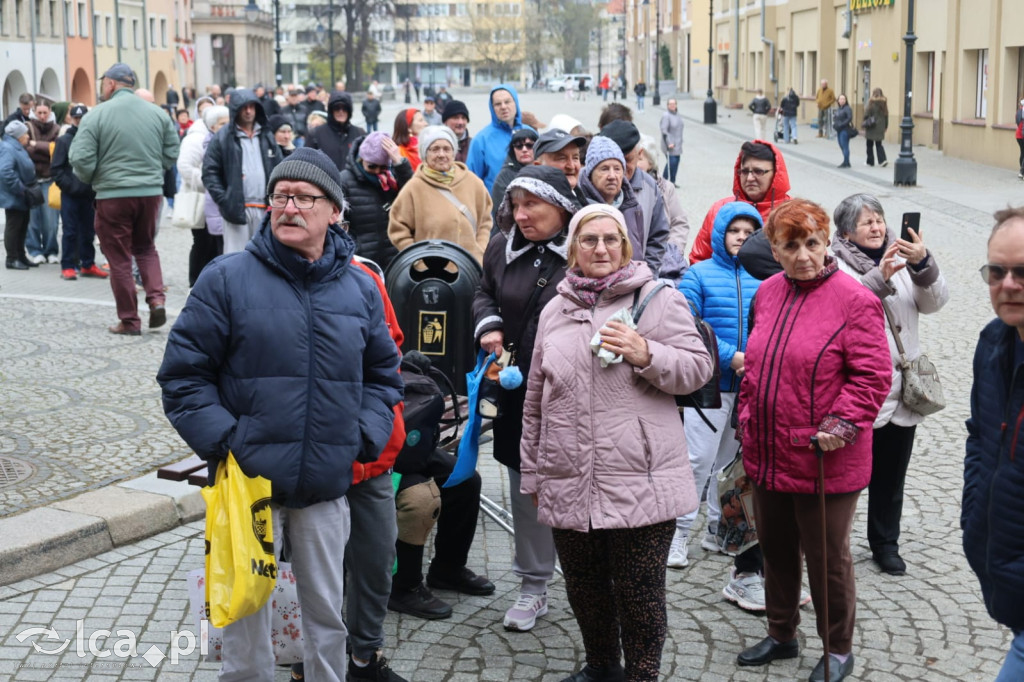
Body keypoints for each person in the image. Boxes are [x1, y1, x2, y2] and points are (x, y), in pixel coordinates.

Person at [158, 147, 403, 682]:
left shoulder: (361, 289)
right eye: (280, 196)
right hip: (249, 485)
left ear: (334, 211)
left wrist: (359, 437)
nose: (288, 207)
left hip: (325, 484)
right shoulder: (225, 279)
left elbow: (385, 377)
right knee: (247, 619)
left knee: (325, 618)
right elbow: (182, 377)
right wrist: (230, 442)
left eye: (303, 197)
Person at [521, 203, 713, 682]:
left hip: (641, 475)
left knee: (639, 590)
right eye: (589, 240)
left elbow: (696, 369)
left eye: (611, 239)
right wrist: (533, 471)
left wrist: (646, 352)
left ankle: (642, 674)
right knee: (585, 586)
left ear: (625, 246)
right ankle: (602, 666)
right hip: (568, 473)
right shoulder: (555, 309)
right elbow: (535, 399)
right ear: (574, 251)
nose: (600, 248)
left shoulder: (657, 299)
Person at [734, 199, 891, 682]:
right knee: (776, 550)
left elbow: (872, 377)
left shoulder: (855, 299)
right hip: (769, 450)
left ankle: (838, 648)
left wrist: (838, 427)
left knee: (827, 559)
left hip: (825, 457)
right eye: (791, 245)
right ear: (775, 250)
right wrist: (746, 415)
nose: (804, 255)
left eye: (813, 243)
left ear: (828, 244)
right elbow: (757, 366)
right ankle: (782, 634)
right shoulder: (767, 294)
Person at [473, 165, 581, 631]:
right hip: (518, 390)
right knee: (526, 487)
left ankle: (590, 585)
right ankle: (534, 584)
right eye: (515, 205)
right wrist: (489, 324)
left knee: (578, 485)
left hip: (575, 390)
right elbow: (483, 292)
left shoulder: (586, 247)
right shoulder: (501, 246)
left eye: (531, 205)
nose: (521, 215)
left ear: (561, 207)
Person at [830, 193, 948, 575]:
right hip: (860, 391)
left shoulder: (903, 259)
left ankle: (885, 542)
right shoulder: (834, 264)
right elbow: (842, 310)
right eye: (867, 222)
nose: (878, 227)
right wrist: (879, 277)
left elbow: (934, 303)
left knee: (892, 474)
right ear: (846, 231)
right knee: (846, 475)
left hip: (903, 390)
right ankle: (832, 543)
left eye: (879, 219)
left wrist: (923, 265)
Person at [668, 203, 762, 569]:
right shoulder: (698, 275)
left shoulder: (764, 276)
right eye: (734, 230)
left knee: (727, 463)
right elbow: (689, 326)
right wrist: (731, 357)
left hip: (746, 386)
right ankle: (676, 536)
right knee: (696, 460)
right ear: (720, 233)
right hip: (707, 385)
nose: (741, 237)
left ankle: (717, 529)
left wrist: (753, 359)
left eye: (748, 232)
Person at [69, 63, 179, 335]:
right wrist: (154, 170)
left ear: (110, 84)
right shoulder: (157, 114)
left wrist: (95, 178)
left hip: (113, 195)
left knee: (119, 258)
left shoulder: (97, 115)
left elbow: (80, 158)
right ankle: (156, 300)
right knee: (146, 248)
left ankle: (129, 321)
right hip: (149, 192)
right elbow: (172, 151)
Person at [965, 206, 1024, 682]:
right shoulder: (993, 342)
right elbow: (979, 436)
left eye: (1023, 271)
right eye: (997, 271)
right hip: (1005, 569)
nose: (1008, 284)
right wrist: (973, 513)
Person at [388, 126, 492, 263]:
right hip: (431, 275)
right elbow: (398, 230)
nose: (441, 154)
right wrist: (418, 261)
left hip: (470, 269)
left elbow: (485, 220)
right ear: (425, 154)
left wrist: (479, 250)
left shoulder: (473, 182)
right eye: (435, 149)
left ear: (453, 153)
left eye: (447, 149)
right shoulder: (413, 188)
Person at [202, 88, 282, 254]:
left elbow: (279, 167)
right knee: (236, 258)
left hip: (265, 208)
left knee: (265, 256)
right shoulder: (223, 137)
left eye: (252, 107)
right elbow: (210, 172)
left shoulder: (266, 136)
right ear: (235, 110)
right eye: (243, 107)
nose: (248, 111)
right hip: (237, 209)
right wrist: (225, 200)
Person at [688, 140, 792, 265]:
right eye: (744, 171)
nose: (749, 178)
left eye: (758, 171)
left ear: (776, 173)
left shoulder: (794, 213)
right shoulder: (720, 209)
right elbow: (699, 259)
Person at [598, 119, 670, 277]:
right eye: (616, 161)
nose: (621, 168)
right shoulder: (591, 184)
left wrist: (647, 274)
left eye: (627, 160)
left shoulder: (650, 187)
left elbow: (658, 236)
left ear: (640, 154)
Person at [339, 131, 413, 270]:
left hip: (393, 259)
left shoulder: (392, 179)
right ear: (361, 159)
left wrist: (400, 163)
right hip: (361, 261)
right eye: (372, 166)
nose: (377, 171)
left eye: (383, 167)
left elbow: (413, 196)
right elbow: (339, 224)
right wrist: (353, 250)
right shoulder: (345, 180)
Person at [576, 136, 651, 271]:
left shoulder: (632, 207)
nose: (612, 176)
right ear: (590, 174)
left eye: (617, 169)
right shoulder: (577, 208)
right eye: (604, 169)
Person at [51, 104, 107, 281]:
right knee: (70, 231)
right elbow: (57, 169)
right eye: (76, 118)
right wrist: (70, 186)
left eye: (82, 118)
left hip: (89, 194)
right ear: (71, 119)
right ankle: (67, 265)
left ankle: (88, 264)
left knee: (89, 232)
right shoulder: (64, 141)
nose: (79, 121)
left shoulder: (93, 139)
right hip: (71, 195)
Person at [178, 104, 229, 287]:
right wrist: (210, 182)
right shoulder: (195, 139)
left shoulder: (227, 139)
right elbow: (184, 167)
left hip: (219, 201)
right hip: (200, 198)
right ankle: (196, 283)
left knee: (217, 245)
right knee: (202, 243)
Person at [636, 135, 689, 281]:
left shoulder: (666, 188)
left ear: (650, 162)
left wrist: (671, 252)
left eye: (639, 159)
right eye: (631, 159)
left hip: (664, 261)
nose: (634, 164)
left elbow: (679, 223)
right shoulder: (625, 188)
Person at [25, 100, 61, 264]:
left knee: (51, 220)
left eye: (45, 112)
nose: (42, 116)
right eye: (39, 112)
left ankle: (51, 250)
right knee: (32, 219)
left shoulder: (56, 128)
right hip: (32, 179)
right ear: (34, 112)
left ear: (50, 112)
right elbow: (26, 148)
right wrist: (46, 149)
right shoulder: (27, 127)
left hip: (49, 179)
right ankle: (34, 250)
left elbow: (56, 150)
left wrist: (36, 145)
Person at [467, 84, 523, 192]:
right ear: (492, 108)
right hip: (495, 206)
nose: (503, 107)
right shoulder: (481, 140)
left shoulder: (530, 134)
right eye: (498, 104)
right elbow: (471, 181)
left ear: (515, 103)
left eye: (507, 102)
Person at [1, 120, 38, 270]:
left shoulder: (16, 146)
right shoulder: (8, 148)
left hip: (22, 194)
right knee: (14, 226)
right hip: (15, 194)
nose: (28, 136)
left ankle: (21, 255)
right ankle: (12, 258)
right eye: (25, 134)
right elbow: (5, 171)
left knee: (22, 225)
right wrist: (20, 188)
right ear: (18, 136)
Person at [308, 91, 365, 174]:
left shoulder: (359, 133)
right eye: (337, 108)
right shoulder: (316, 134)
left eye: (345, 108)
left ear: (349, 111)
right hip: (325, 182)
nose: (341, 111)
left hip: (351, 184)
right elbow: (308, 162)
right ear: (331, 111)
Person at [489, 127, 538, 218]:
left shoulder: (547, 171)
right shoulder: (504, 176)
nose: (524, 149)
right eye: (519, 146)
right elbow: (501, 213)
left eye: (529, 145)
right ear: (513, 150)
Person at [532, 128, 587, 205]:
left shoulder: (591, 209)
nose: (571, 166)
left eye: (575, 158)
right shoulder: (527, 212)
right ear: (538, 167)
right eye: (562, 158)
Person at [659, 98, 683, 185]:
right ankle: (663, 182)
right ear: (667, 105)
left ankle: (672, 181)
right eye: (670, 104)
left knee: (676, 163)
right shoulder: (666, 116)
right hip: (670, 144)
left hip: (678, 144)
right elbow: (664, 130)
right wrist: (669, 143)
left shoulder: (677, 115)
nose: (673, 105)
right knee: (671, 163)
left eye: (674, 104)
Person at [864, 88, 889, 167]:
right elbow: (886, 116)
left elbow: (866, 114)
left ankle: (870, 162)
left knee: (869, 144)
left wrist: (865, 122)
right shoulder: (884, 103)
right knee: (879, 144)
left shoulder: (871, 103)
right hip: (880, 126)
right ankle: (882, 160)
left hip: (871, 125)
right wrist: (885, 126)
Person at [834, 94, 853, 168]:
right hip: (839, 129)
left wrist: (842, 124)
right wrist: (835, 124)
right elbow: (835, 117)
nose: (842, 100)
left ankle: (846, 162)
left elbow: (849, 118)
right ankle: (847, 161)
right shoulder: (839, 109)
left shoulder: (847, 108)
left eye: (843, 99)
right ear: (838, 101)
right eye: (840, 99)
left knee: (845, 146)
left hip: (845, 130)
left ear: (846, 100)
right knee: (841, 145)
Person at [1017, 98, 1024, 179]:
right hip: (1022, 134)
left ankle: (1021, 169)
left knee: (1022, 152)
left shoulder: (1018, 112)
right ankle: (1022, 171)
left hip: (1019, 135)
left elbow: (1018, 122)